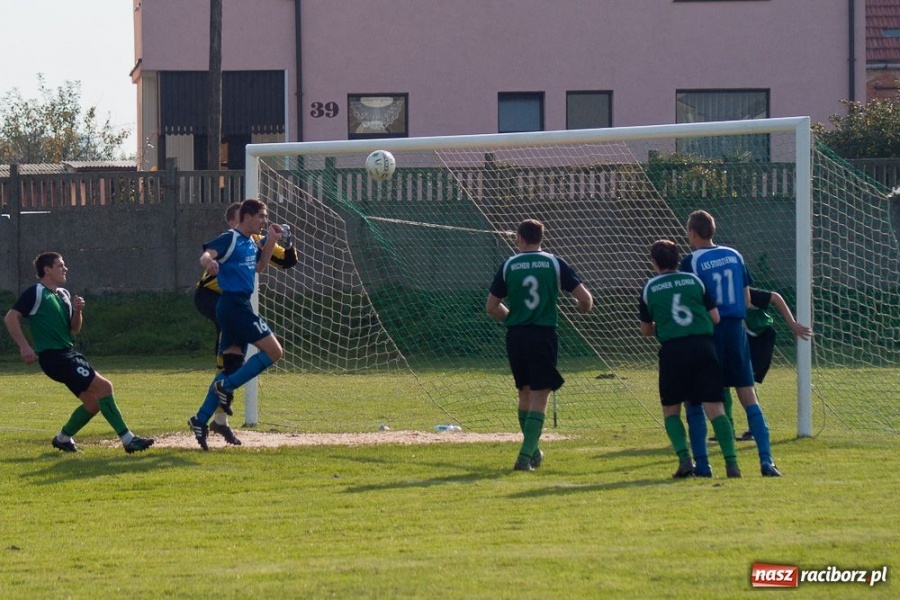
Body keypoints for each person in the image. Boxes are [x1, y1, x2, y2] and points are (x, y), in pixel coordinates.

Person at [3, 252, 155, 454]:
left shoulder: (63, 295)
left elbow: (74, 329)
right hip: (55, 357)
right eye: (60, 266)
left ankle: (63, 438)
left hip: (68, 353)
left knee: (93, 403)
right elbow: (10, 317)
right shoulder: (36, 292)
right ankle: (128, 440)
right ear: (47, 270)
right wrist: (24, 346)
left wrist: (77, 311)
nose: (65, 269)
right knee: (104, 387)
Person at [679, 210, 781, 477]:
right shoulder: (734, 255)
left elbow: (691, 300)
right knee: (748, 397)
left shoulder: (691, 262)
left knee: (698, 399)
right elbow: (747, 300)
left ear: (692, 233)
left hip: (709, 333)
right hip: (737, 332)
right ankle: (766, 461)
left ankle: (703, 464)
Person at [486, 219, 593, 472]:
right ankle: (524, 457)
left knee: (524, 392)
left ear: (519, 239)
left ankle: (533, 451)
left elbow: (491, 306)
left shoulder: (508, 265)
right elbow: (586, 300)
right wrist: (581, 309)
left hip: (516, 337)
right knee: (540, 395)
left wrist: (511, 318)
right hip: (542, 335)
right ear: (540, 238)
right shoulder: (554, 263)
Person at [193, 201, 298, 445]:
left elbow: (260, 266)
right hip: (234, 307)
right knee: (274, 352)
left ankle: (201, 419)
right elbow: (206, 254)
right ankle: (226, 387)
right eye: (261, 217)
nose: (264, 220)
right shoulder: (230, 238)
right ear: (247, 216)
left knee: (230, 365)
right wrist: (209, 262)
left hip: (236, 306)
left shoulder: (251, 242)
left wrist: (272, 238)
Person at [639, 240, 741, 478]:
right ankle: (731, 463)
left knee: (671, 410)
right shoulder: (695, 281)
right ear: (678, 259)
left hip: (673, 352)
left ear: (654, 262)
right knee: (715, 409)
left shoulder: (649, 288)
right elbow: (715, 318)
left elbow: (645, 330)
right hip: (703, 348)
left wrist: (666, 325)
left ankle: (685, 460)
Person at [713, 287, 812, 441]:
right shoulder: (718, 295)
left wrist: (792, 323)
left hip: (761, 338)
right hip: (740, 339)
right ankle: (727, 430)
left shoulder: (742, 291)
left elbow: (776, 297)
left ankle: (755, 429)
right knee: (723, 380)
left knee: (745, 383)